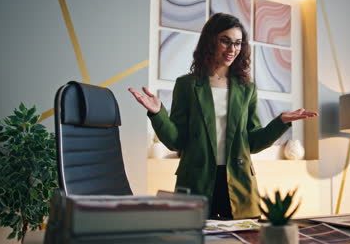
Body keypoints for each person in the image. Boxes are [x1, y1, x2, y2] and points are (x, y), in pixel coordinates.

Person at [129, 13, 317, 220]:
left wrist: (280, 123)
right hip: (196, 182)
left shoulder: (247, 89)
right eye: (225, 41)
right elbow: (176, 141)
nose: (232, 49)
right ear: (210, 41)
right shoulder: (187, 85)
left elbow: (252, 142)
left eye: (237, 43)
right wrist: (157, 114)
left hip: (238, 182)